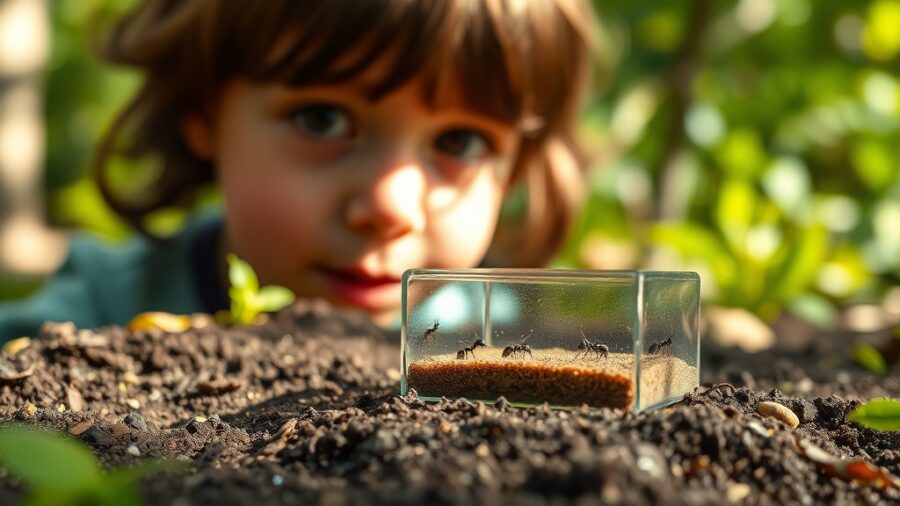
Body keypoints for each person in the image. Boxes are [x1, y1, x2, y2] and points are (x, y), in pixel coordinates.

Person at [0, 0, 600, 341]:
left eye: (460, 140)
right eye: (323, 120)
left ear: (516, 163)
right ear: (203, 111)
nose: (392, 205)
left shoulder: (500, 336)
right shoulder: (104, 308)